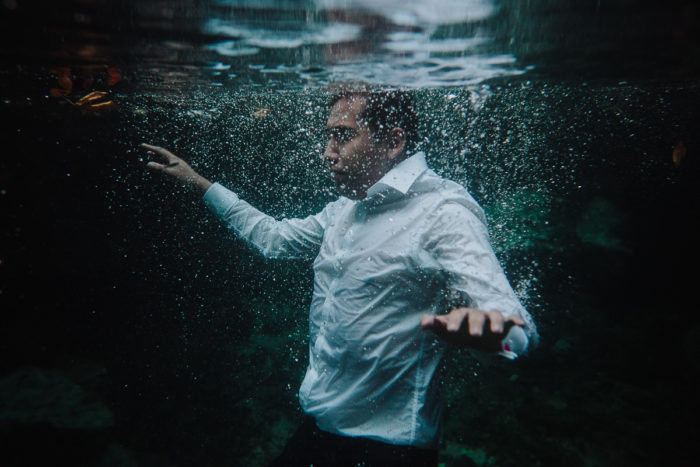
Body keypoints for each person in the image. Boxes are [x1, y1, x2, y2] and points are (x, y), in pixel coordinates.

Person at [143, 89, 537, 466]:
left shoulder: (444, 214)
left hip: (389, 451)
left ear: (393, 142)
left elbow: (518, 338)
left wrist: (463, 325)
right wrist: (198, 183)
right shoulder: (347, 210)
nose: (327, 154)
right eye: (328, 137)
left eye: (342, 137)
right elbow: (275, 239)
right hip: (322, 430)